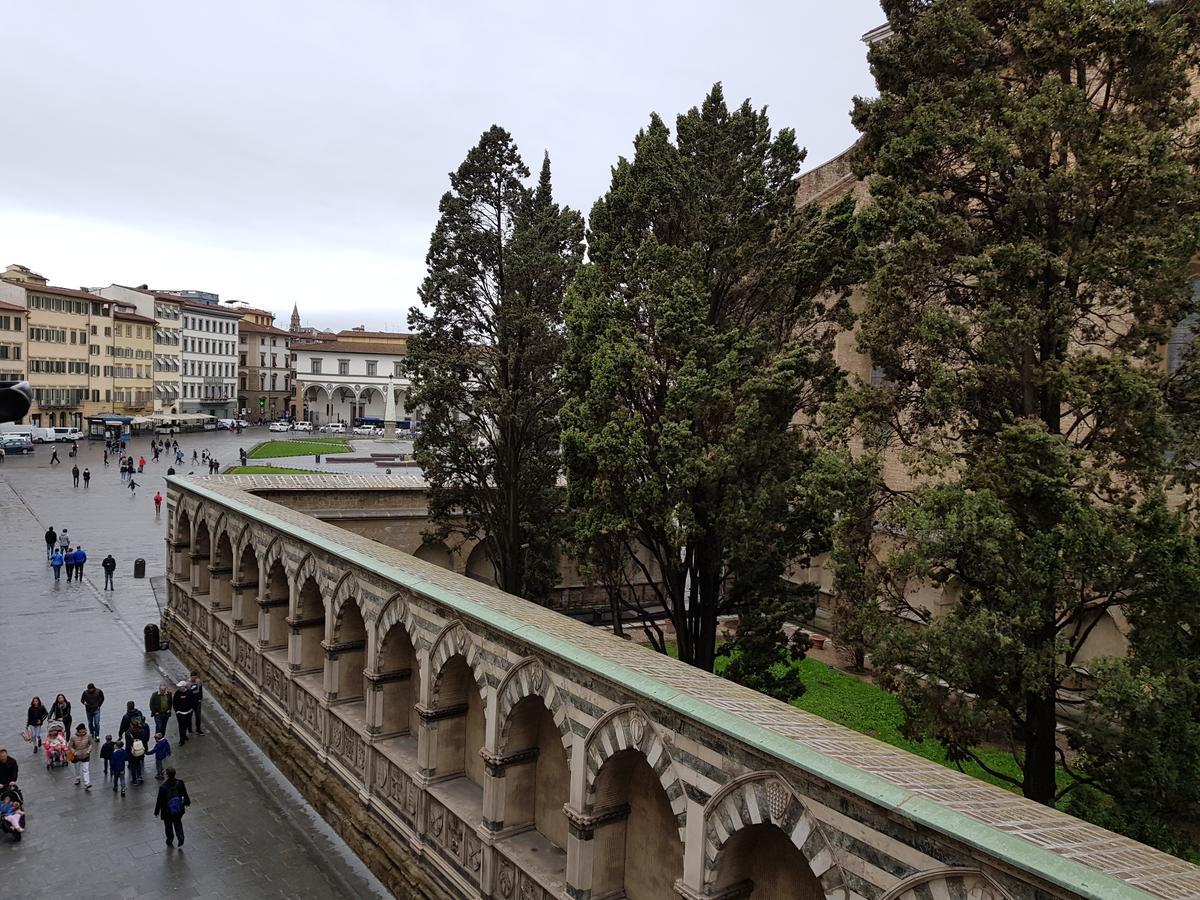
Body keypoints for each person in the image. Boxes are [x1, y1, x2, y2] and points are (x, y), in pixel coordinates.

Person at [154, 767, 191, 848]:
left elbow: (159, 801)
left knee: (168, 826)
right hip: (178, 809)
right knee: (178, 823)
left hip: (167, 811)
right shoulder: (180, 782)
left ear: (167, 775)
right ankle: (181, 838)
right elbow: (184, 793)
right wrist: (187, 802)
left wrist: (156, 811)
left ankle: (170, 839)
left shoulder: (163, 787)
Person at [68, 724, 92, 791]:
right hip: (76, 756)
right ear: (78, 731)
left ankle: (87, 783)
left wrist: (89, 750)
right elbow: (70, 746)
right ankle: (78, 777)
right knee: (77, 768)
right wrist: (74, 752)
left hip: (85, 755)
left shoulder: (88, 736)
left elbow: (91, 744)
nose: (83, 732)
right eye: (81, 731)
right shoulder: (73, 737)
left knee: (86, 769)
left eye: (84, 730)